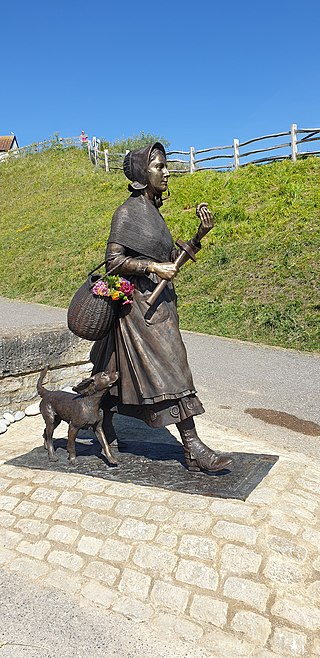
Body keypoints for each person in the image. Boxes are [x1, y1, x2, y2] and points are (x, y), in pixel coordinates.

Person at [91, 142, 232, 473]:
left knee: (121, 372)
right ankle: (193, 446)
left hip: (160, 305)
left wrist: (198, 236)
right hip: (141, 310)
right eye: (158, 167)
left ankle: (102, 419)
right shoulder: (126, 213)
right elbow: (114, 262)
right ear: (143, 173)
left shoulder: (154, 213)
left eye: (165, 166)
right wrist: (153, 269)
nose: (166, 172)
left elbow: (170, 262)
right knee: (174, 368)